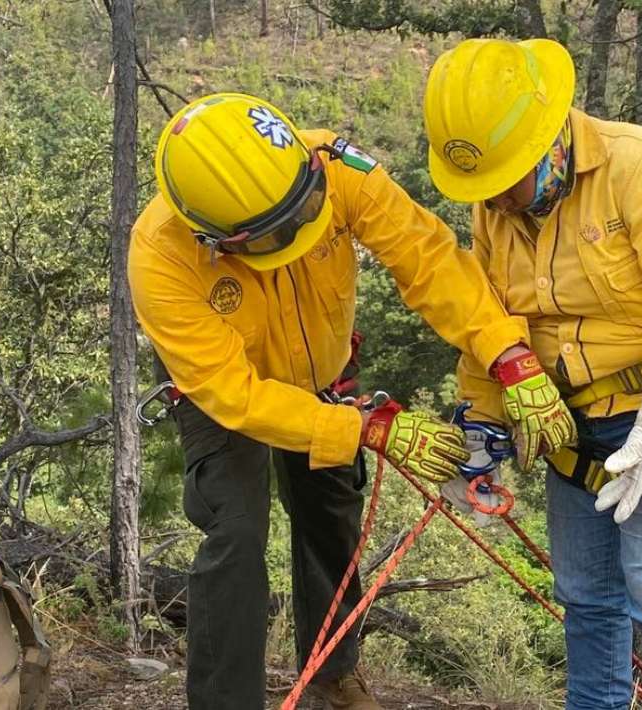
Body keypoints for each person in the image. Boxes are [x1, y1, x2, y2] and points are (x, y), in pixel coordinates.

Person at [127, 92, 574, 710]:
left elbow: (426, 257)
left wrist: (509, 356)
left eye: (306, 208)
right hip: (224, 391)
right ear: (217, 238)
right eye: (274, 234)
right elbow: (235, 393)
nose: (302, 228)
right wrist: (367, 429)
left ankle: (332, 673)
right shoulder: (161, 256)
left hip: (323, 368)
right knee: (235, 530)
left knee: (330, 516)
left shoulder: (333, 165)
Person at [423, 39, 642, 710]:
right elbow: (493, 318)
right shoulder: (497, 204)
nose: (498, 203)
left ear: (548, 140)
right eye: (486, 190)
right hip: (575, 417)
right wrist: (481, 427)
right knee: (588, 598)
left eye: (506, 182)